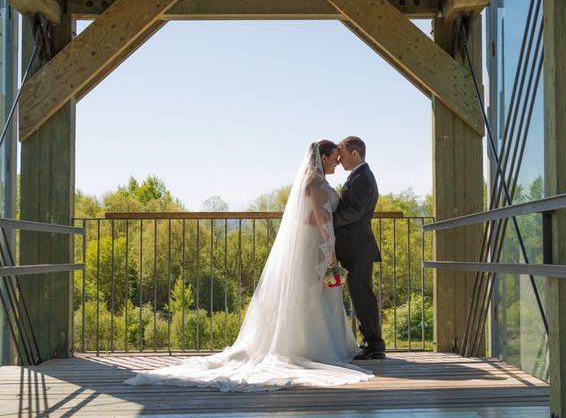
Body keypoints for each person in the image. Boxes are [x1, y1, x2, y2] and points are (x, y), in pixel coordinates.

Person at [124, 141, 371, 392]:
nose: (338, 163)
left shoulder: (315, 182)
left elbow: (318, 216)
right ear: (323, 158)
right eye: (334, 158)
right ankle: (311, 347)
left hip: (316, 245)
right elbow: (322, 219)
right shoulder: (316, 184)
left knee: (314, 294)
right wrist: (329, 251)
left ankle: (315, 345)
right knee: (312, 294)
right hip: (316, 248)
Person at [334, 136, 385, 360]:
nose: (340, 162)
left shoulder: (362, 177)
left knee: (362, 296)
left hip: (358, 248)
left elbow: (354, 211)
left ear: (355, 154)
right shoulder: (359, 176)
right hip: (355, 247)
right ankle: (371, 343)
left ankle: (375, 346)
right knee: (360, 296)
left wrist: (327, 220)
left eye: (343, 156)